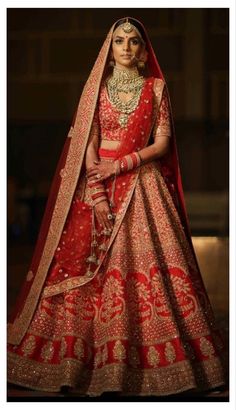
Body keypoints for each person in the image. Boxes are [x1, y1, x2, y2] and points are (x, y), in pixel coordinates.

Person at [7, 17, 228, 397]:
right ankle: (74, 362)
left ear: (144, 52)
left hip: (142, 183)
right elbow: (88, 145)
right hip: (97, 186)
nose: (127, 47)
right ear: (109, 51)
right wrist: (96, 193)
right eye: (119, 41)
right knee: (80, 270)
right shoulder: (95, 89)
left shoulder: (156, 89)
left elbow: (161, 144)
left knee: (150, 272)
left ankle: (146, 365)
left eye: (134, 42)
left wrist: (121, 165)